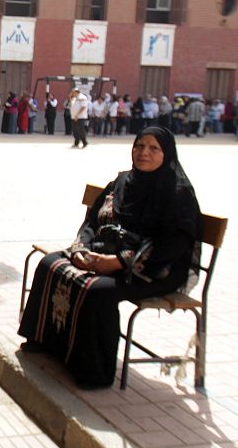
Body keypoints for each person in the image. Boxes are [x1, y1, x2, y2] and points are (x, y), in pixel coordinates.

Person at [19, 127, 201, 388]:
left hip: (153, 270)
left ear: (167, 154)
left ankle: (93, 372)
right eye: (139, 146)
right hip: (105, 254)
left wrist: (119, 262)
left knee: (96, 290)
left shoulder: (177, 194)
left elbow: (173, 246)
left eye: (153, 148)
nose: (143, 153)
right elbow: (92, 221)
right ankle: (46, 342)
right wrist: (81, 248)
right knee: (51, 264)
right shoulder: (123, 182)